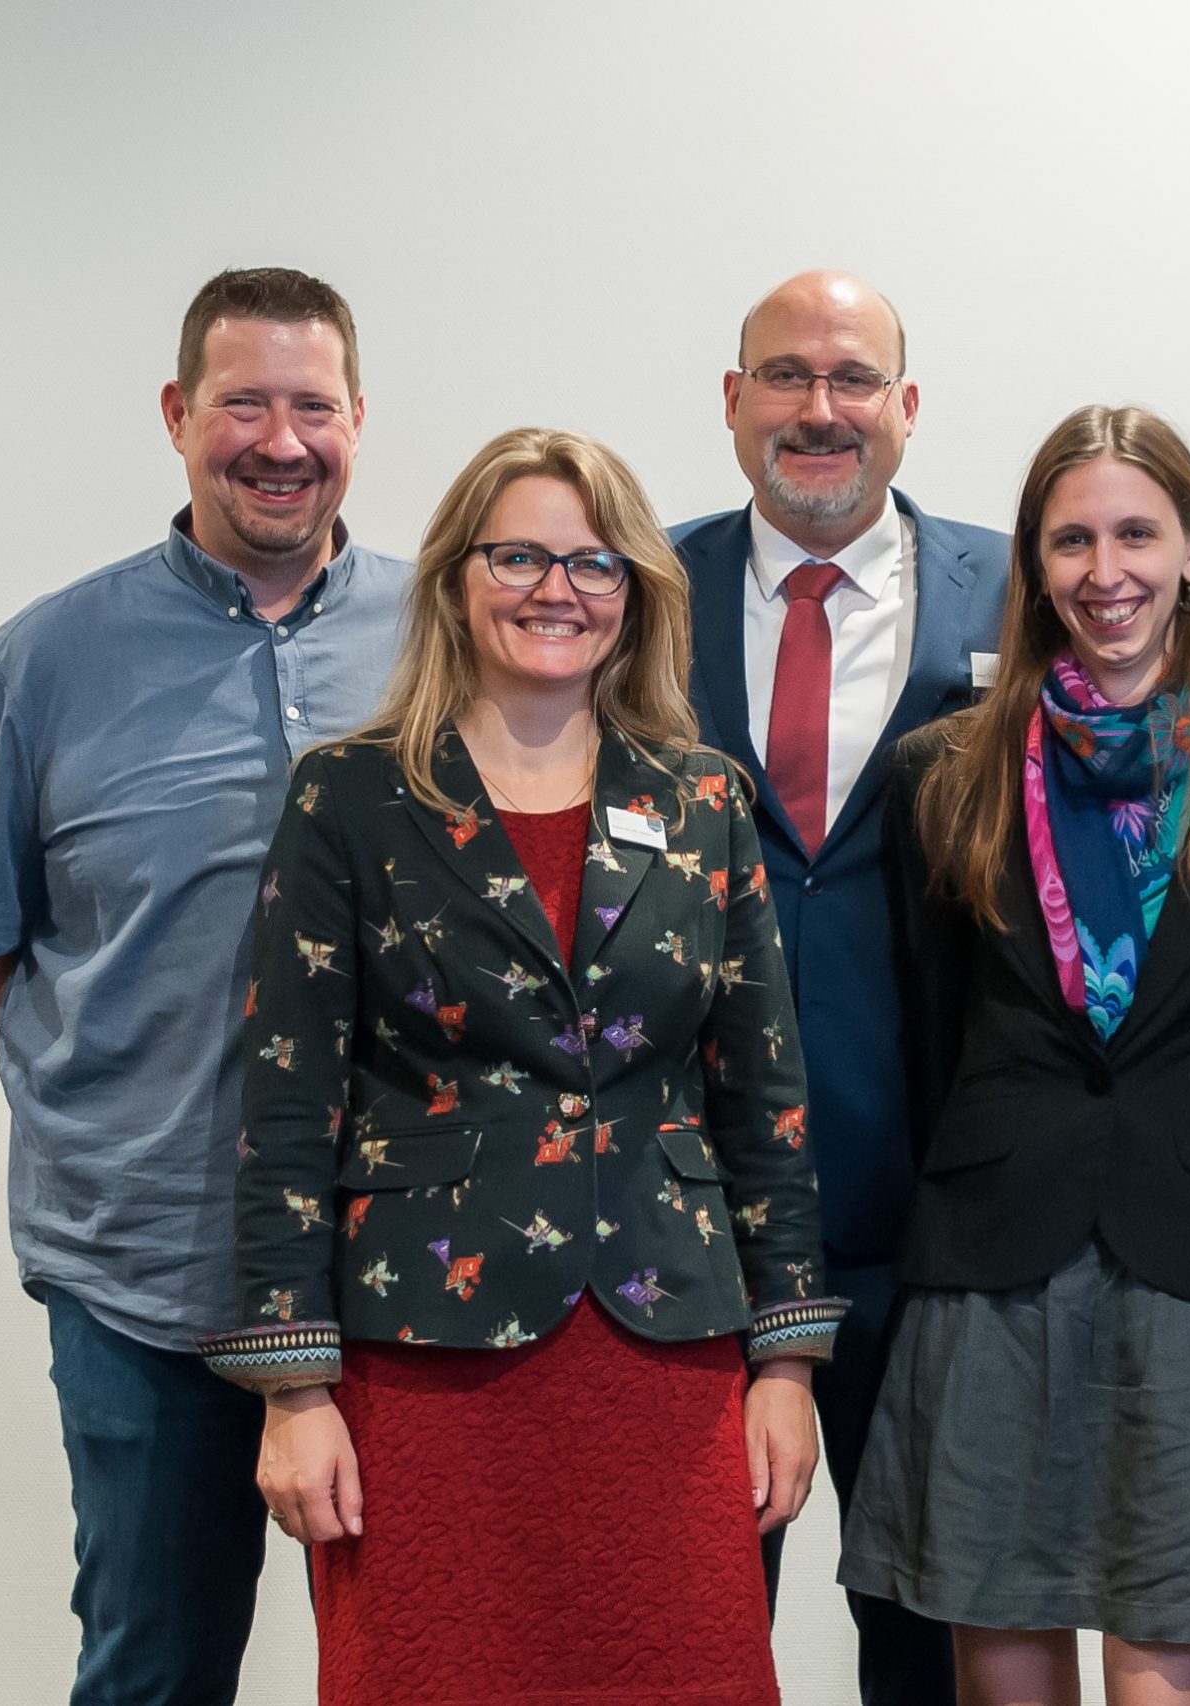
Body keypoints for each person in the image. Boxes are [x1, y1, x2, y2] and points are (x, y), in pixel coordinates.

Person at [198, 428, 841, 1706]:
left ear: (636, 592)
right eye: (521, 555)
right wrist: (293, 1385)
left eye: (595, 562)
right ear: (454, 579)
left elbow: (762, 1090)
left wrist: (787, 1362)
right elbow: (285, 1097)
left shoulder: (705, 796)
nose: (559, 588)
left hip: (666, 1350)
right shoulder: (354, 794)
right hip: (430, 1358)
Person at [0, 266, 408, 1705]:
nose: (279, 438)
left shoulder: (448, 633)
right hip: (145, 1272)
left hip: (408, 1260)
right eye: (242, 401)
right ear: (179, 414)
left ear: (360, 420)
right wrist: (109, 1093)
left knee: (426, 1655)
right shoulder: (46, 659)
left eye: (312, 404)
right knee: (157, 1662)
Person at [841, 405, 1190, 1706]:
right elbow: (934, 1027)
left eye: (1136, 532)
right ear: (1033, 563)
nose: (1105, 571)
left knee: (1170, 1669)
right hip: (993, 1261)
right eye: (1072, 539)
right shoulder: (943, 773)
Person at [674, 270, 1008, 1705]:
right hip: (682, 1233)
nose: (823, 409)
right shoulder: (630, 590)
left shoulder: (1023, 590)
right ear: (733, 399)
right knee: (683, 1631)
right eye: (789, 375)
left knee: (927, 1643)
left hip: (934, 1222)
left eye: (855, 377)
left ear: (909, 408)